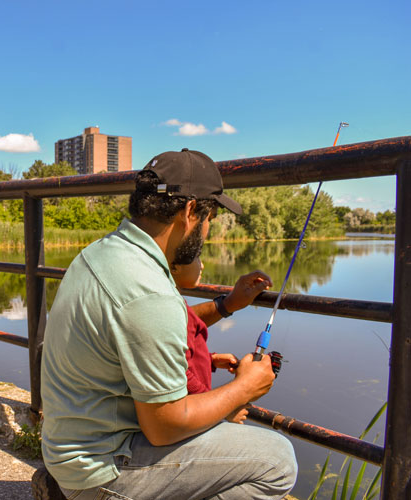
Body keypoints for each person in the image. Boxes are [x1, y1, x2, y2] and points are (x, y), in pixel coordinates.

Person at [38, 149, 297, 500]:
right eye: (211, 217)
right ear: (191, 212)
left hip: (67, 454)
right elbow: (165, 427)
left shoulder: (101, 253)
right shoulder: (148, 293)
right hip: (99, 473)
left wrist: (226, 305)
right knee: (278, 460)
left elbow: (149, 327)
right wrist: (245, 389)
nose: (209, 230)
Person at [170, 255, 273, 424]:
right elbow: (179, 372)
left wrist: (207, 359)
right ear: (174, 266)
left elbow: (172, 354)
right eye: (196, 257)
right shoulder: (167, 307)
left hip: (193, 413)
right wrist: (224, 408)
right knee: (279, 446)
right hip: (192, 417)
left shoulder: (170, 301)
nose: (202, 265)